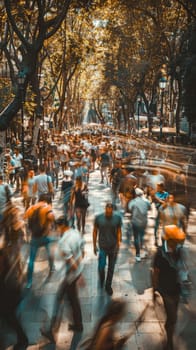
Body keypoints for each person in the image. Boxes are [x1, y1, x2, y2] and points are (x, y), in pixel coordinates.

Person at [41, 215, 85, 343]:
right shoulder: (76, 232)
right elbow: (82, 251)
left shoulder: (64, 241)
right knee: (73, 300)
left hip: (68, 276)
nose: (57, 230)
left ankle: (51, 331)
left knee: (58, 301)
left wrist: (78, 275)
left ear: (62, 226)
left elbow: (69, 260)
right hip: (75, 273)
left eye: (58, 227)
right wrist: (79, 270)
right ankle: (78, 325)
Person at [151, 226, 188, 350]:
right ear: (169, 239)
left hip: (176, 289)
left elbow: (182, 267)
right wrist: (155, 289)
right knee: (172, 316)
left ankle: (169, 329)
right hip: (165, 290)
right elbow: (155, 272)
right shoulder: (160, 254)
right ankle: (169, 341)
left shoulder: (179, 251)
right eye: (176, 240)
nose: (178, 242)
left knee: (173, 318)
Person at [0, 239, 29, 349]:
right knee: (7, 317)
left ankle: (23, 339)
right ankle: (22, 338)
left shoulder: (2, 254)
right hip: (8, 291)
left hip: (7, 293)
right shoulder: (4, 252)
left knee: (9, 317)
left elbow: (2, 270)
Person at [24, 193, 56, 288]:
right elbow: (52, 217)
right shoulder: (47, 207)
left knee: (31, 260)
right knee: (50, 251)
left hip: (34, 237)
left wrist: (27, 234)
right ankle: (51, 267)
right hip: (44, 236)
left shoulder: (31, 208)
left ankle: (29, 282)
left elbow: (25, 219)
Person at [93, 202, 122, 295]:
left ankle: (108, 285)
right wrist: (94, 245)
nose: (108, 212)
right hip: (102, 246)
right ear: (105, 209)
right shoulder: (99, 218)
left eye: (110, 211)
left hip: (113, 247)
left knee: (111, 267)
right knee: (101, 267)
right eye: (107, 211)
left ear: (112, 210)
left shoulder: (117, 218)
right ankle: (101, 279)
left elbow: (119, 231)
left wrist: (118, 243)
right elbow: (95, 231)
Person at [128, 188, 151, 262]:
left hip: (135, 222)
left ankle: (138, 254)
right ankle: (141, 248)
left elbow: (129, 209)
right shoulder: (147, 201)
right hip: (144, 222)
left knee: (136, 237)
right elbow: (149, 208)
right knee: (141, 235)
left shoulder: (133, 202)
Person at [151, 182, 169, 246]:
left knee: (164, 226)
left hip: (164, 212)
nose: (157, 188)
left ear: (162, 187)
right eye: (157, 187)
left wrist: (159, 200)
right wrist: (159, 200)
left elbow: (166, 202)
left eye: (158, 187)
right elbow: (153, 202)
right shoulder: (156, 193)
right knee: (156, 225)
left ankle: (164, 239)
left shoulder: (166, 194)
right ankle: (156, 238)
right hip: (158, 211)